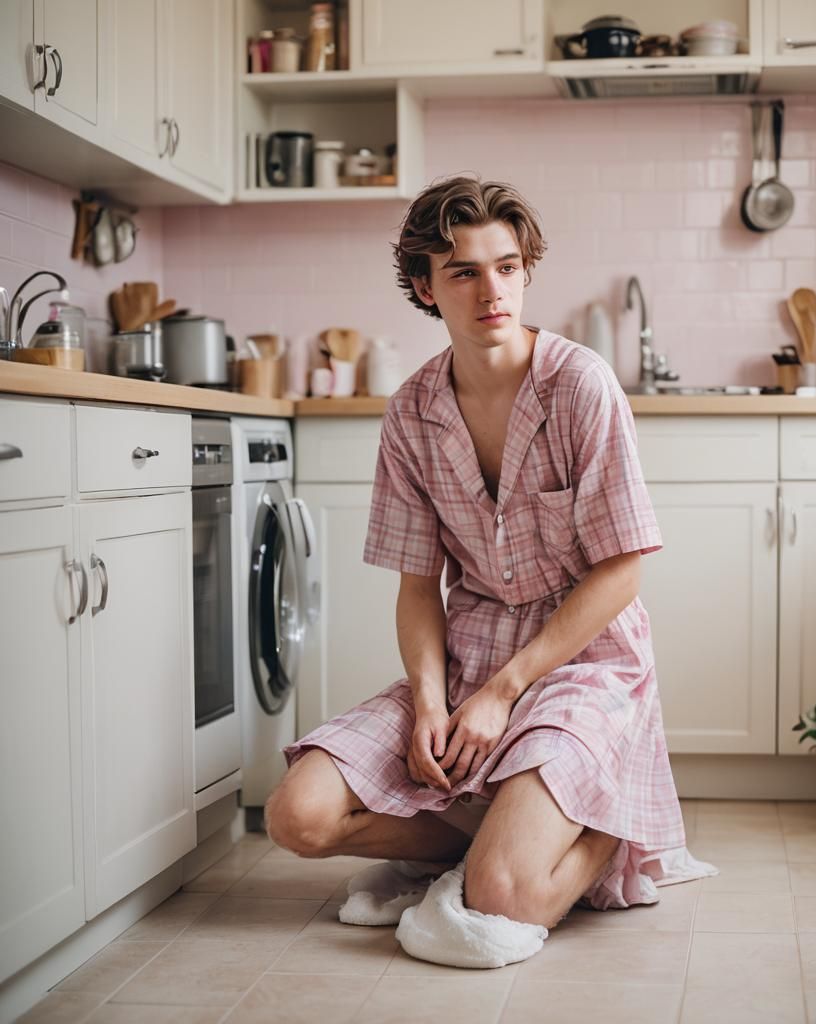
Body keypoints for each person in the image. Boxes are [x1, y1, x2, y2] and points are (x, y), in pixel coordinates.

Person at [265, 174, 711, 934]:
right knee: (296, 817)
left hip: (585, 663)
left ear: (526, 271)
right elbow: (417, 587)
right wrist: (430, 704)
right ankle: (487, 833)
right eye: (464, 272)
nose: (491, 290)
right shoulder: (411, 412)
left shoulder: (581, 386)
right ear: (426, 288)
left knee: (503, 898)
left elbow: (621, 570)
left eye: (506, 267)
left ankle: (612, 827)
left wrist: (504, 692)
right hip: (468, 659)